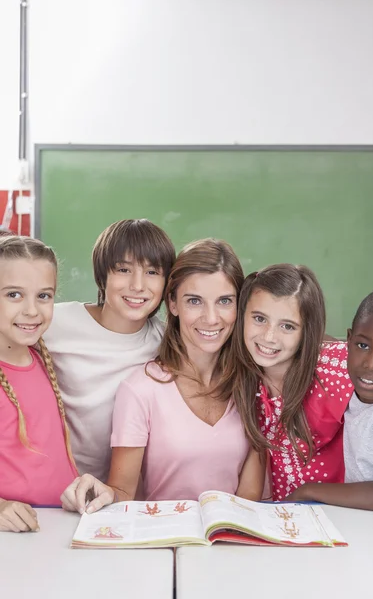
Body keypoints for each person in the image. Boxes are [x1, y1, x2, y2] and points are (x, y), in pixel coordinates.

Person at [61, 239, 265, 514]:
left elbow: (248, 497)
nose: (211, 318)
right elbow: (122, 491)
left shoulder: (251, 383)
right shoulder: (140, 389)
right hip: (159, 543)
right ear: (172, 304)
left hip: (228, 542)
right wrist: (105, 494)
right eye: (194, 301)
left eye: (225, 301)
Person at [44, 219, 175, 481]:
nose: (137, 285)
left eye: (152, 272)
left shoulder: (166, 342)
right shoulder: (54, 322)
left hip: (120, 495)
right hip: (54, 486)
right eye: (124, 270)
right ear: (102, 275)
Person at [231, 264, 353, 501]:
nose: (268, 337)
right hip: (284, 519)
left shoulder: (340, 370)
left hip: (349, 515)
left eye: (287, 326)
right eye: (259, 318)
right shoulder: (241, 376)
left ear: (306, 331)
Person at [286, 288, 373, 511]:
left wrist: (309, 490)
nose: (371, 364)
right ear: (348, 341)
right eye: (363, 346)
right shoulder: (354, 388)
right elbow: (322, 342)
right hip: (364, 521)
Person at [0, 236, 77, 532]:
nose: (32, 310)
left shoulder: (41, 360)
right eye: (14, 295)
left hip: (58, 528)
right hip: (16, 538)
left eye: (44, 296)